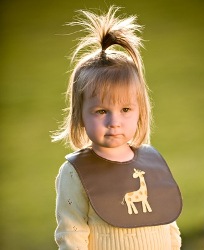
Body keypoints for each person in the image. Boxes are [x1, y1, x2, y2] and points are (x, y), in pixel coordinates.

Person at [52, 6, 182, 250]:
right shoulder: (75, 172)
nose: (114, 122)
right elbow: (71, 235)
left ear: (140, 110)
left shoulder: (152, 162)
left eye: (125, 110)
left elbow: (168, 223)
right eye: (101, 111)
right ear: (79, 115)